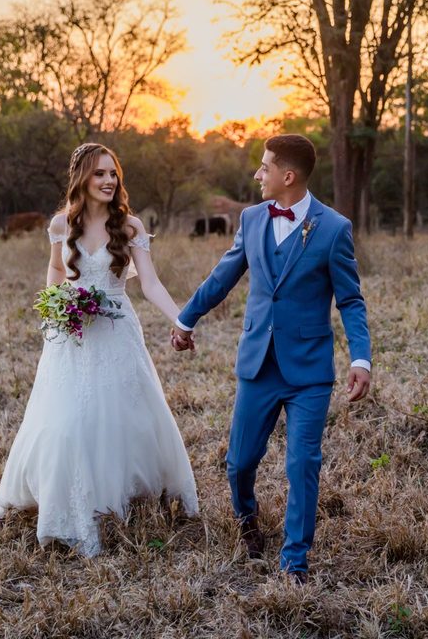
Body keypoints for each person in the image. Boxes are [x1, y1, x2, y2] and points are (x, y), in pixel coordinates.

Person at [171, 134, 372, 583]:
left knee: (302, 463)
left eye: (264, 167)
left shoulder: (334, 228)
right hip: (258, 364)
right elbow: (224, 274)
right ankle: (247, 520)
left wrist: (362, 359)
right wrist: (187, 319)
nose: (257, 174)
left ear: (288, 176)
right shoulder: (252, 218)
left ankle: (294, 561)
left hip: (309, 372)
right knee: (239, 462)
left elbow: (351, 301)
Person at [0, 143, 199, 555]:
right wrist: (56, 304)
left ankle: (122, 498)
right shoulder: (60, 224)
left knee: (122, 414)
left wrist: (181, 318)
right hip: (71, 334)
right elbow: (55, 270)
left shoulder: (131, 227)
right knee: (68, 418)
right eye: (99, 174)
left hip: (117, 331)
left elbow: (150, 284)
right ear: (82, 179)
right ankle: (69, 501)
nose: (109, 181)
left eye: (113, 174)